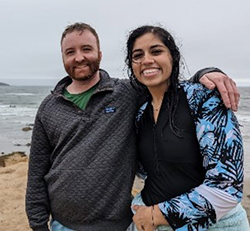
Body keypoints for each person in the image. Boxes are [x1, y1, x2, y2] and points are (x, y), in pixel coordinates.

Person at [25, 22, 241, 231]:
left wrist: (206, 73)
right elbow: (36, 171)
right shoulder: (50, 107)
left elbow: (169, 82)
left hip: (120, 223)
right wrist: (38, 222)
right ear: (63, 58)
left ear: (100, 54)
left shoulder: (125, 93)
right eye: (70, 52)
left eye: (87, 49)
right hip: (65, 224)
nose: (79, 57)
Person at [125, 25, 250, 230]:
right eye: (138, 55)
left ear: (173, 57)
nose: (147, 60)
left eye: (156, 51)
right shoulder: (140, 113)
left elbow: (227, 185)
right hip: (146, 217)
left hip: (212, 225)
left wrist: (157, 215)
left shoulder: (204, 98)